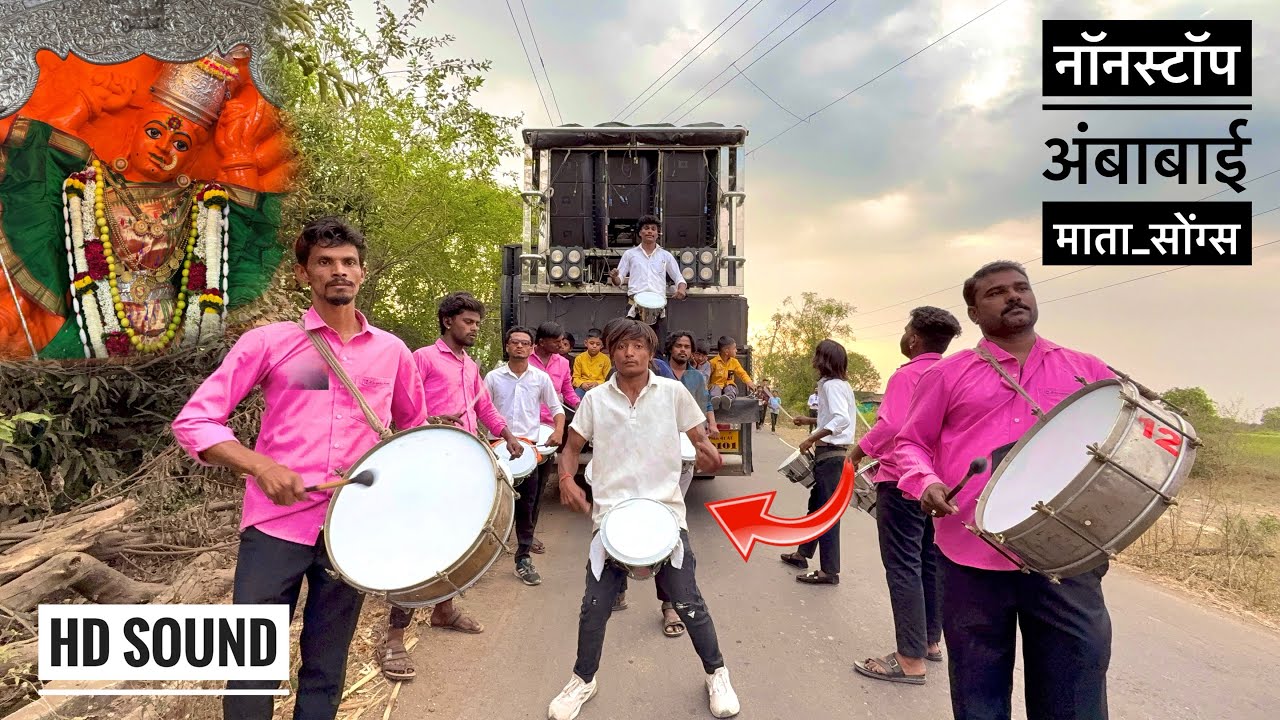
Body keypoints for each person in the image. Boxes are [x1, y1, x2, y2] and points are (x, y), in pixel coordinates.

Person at [172, 217, 428, 720]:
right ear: (302, 273)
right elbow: (195, 420)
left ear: (363, 272)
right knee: (250, 669)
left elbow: (412, 440)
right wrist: (259, 465)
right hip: (274, 527)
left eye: (348, 262)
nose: (339, 271)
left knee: (326, 669)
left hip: (349, 533)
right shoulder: (271, 343)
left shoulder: (392, 352)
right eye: (325, 262)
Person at [891, 261, 1115, 720]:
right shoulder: (946, 375)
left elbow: (1119, 443)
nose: (1013, 297)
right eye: (996, 293)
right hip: (970, 556)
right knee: (979, 698)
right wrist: (927, 482)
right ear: (974, 313)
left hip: (1064, 557)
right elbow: (909, 443)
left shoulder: (1086, 370)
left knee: (1076, 698)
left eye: (1021, 288)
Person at [548, 318, 740, 720]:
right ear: (611, 353)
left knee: (688, 602)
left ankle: (717, 674)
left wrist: (709, 453)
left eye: (637, 346)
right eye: (621, 346)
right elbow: (571, 447)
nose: (628, 353)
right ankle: (583, 680)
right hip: (611, 519)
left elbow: (699, 439)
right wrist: (567, 478)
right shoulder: (596, 400)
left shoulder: (672, 393)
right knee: (594, 606)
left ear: (651, 353)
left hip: (665, 515)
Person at [376, 292, 520, 682]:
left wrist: (506, 434)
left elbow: (483, 408)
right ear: (447, 322)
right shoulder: (421, 357)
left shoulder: (472, 366)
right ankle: (394, 637)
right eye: (468, 322)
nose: (474, 328)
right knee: (419, 546)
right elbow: (400, 406)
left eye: (477, 323)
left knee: (453, 542)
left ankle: (443, 611)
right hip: (427, 464)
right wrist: (430, 421)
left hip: (463, 466)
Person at [848, 306, 962, 686]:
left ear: (913, 338)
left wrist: (858, 450)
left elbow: (893, 425)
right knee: (930, 560)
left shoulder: (907, 375)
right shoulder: (952, 374)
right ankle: (930, 640)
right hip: (938, 487)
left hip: (903, 481)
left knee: (903, 565)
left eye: (905, 329)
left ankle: (909, 658)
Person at [613, 330, 721, 636]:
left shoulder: (697, 380)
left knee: (667, 531)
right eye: (680, 346)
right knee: (622, 526)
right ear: (668, 350)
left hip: (677, 462)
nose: (684, 350)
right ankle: (617, 587)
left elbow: (699, 415)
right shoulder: (655, 372)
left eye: (689, 346)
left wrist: (705, 440)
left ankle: (669, 605)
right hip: (637, 462)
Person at [486, 326, 566, 586]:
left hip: (529, 451)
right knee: (494, 502)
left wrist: (559, 430)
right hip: (497, 447)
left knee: (527, 504)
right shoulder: (493, 378)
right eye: (514, 342)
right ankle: (483, 555)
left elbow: (557, 408)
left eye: (525, 343)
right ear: (507, 347)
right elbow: (481, 409)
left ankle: (523, 557)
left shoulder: (540, 379)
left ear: (532, 348)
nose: (519, 347)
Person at [780, 340, 857, 585]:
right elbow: (832, 417)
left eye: (816, 355)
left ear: (823, 359)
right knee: (816, 507)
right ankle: (802, 554)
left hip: (832, 455)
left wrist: (812, 438)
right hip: (832, 454)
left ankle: (829, 571)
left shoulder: (832, 386)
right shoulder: (836, 384)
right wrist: (809, 420)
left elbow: (841, 420)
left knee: (826, 514)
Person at [528, 321, 581, 554]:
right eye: (557, 341)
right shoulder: (524, 359)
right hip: (523, 430)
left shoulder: (562, 363)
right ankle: (516, 530)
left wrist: (581, 407)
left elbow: (568, 391)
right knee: (520, 484)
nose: (562, 345)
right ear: (541, 343)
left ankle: (528, 535)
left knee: (539, 485)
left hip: (549, 431)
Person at [609, 214, 686, 343]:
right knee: (632, 344)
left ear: (658, 233)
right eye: (646, 228)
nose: (650, 231)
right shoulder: (630, 254)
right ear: (640, 232)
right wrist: (615, 277)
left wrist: (681, 290)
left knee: (657, 348)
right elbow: (619, 280)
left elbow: (679, 278)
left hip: (658, 307)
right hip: (635, 305)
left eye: (653, 229)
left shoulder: (665, 256)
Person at [708, 336, 755, 411]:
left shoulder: (734, 362)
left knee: (731, 388)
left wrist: (748, 382)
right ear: (726, 351)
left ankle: (728, 400)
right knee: (714, 388)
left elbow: (742, 373)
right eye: (734, 348)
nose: (736, 350)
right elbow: (707, 376)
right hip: (716, 385)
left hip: (728, 385)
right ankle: (714, 401)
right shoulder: (713, 363)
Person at [572, 327, 611, 399]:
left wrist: (597, 383)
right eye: (591, 343)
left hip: (600, 388)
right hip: (582, 388)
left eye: (598, 344)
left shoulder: (605, 359)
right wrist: (582, 384)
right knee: (576, 398)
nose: (594, 346)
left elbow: (608, 379)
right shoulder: (579, 358)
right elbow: (575, 378)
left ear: (602, 346)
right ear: (586, 343)